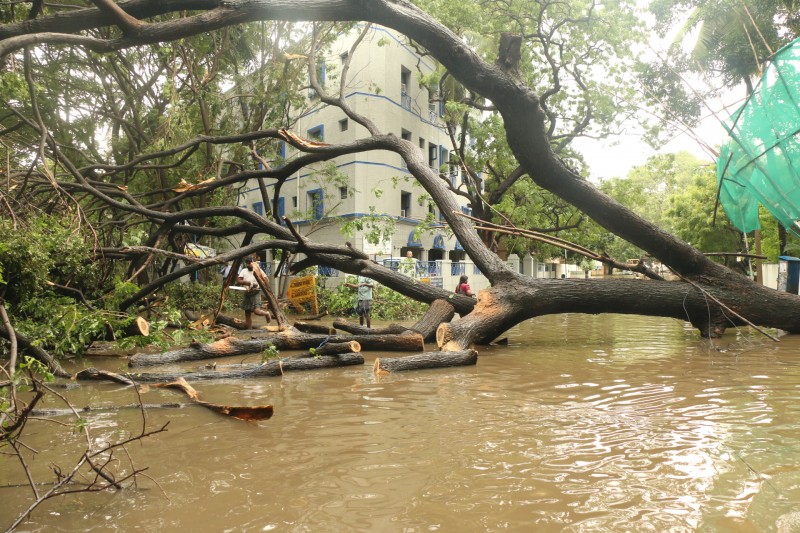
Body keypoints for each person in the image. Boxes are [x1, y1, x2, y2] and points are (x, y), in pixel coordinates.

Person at [237, 258, 270, 329]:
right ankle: (249, 329)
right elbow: (238, 281)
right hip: (247, 292)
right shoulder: (244, 271)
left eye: (250, 263)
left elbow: (266, 280)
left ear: (253, 263)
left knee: (256, 311)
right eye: (247, 263)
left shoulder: (258, 270)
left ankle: (267, 313)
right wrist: (247, 283)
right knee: (247, 312)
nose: (248, 265)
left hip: (256, 292)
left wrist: (260, 285)